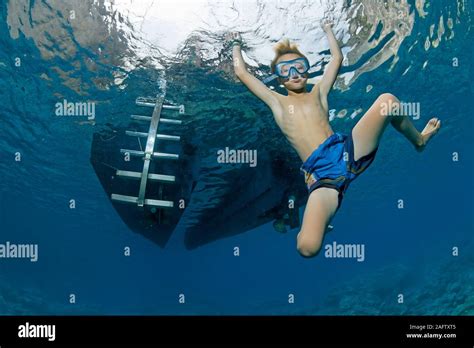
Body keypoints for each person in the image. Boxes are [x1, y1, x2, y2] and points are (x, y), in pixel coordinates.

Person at [229, 21, 441, 258]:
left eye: (299, 66)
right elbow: (241, 72)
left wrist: (328, 30)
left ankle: (419, 141)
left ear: (307, 69)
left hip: (348, 150)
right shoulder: (277, 102)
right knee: (307, 247)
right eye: (285, 70)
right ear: (279, 79)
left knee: (387, 101)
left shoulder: (318, 92)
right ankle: (311, 225)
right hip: (321, 179)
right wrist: (236, 43)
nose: (294, 73)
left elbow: (336, 59)